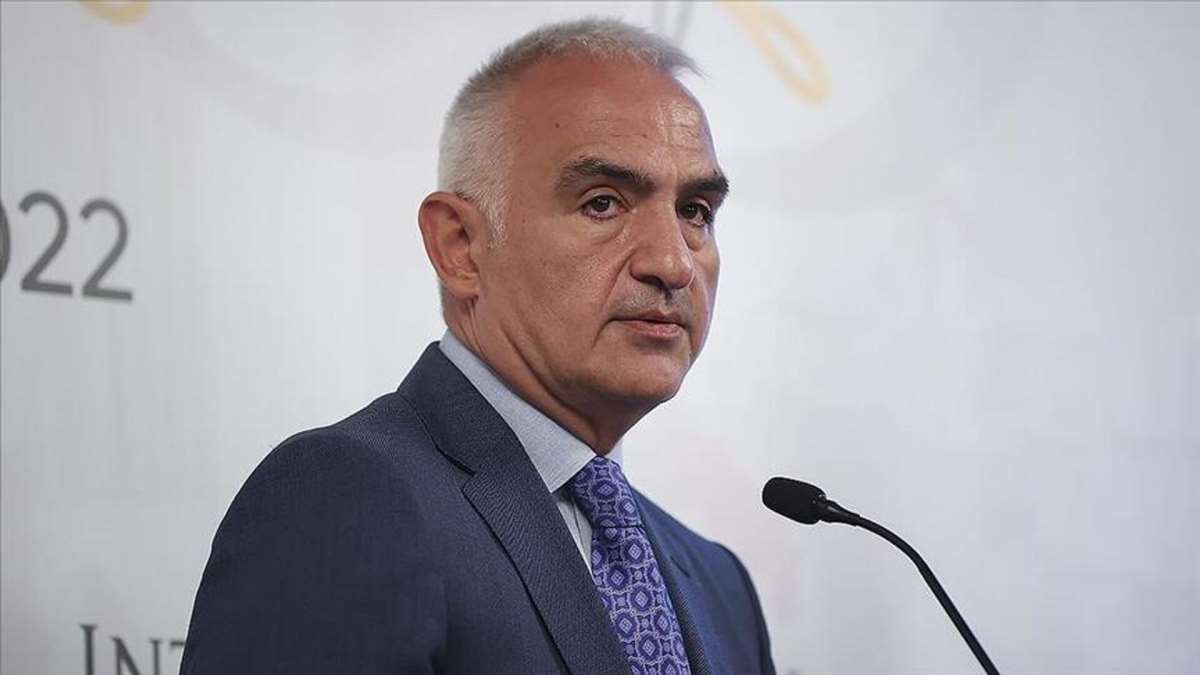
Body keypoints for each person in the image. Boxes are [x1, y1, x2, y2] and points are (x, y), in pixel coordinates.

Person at [181, 18, 775, 675]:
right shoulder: (343, 501)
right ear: (460, 246)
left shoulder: (720, 586)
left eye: (695, 211)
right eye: (603, 203)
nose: (673, 263)